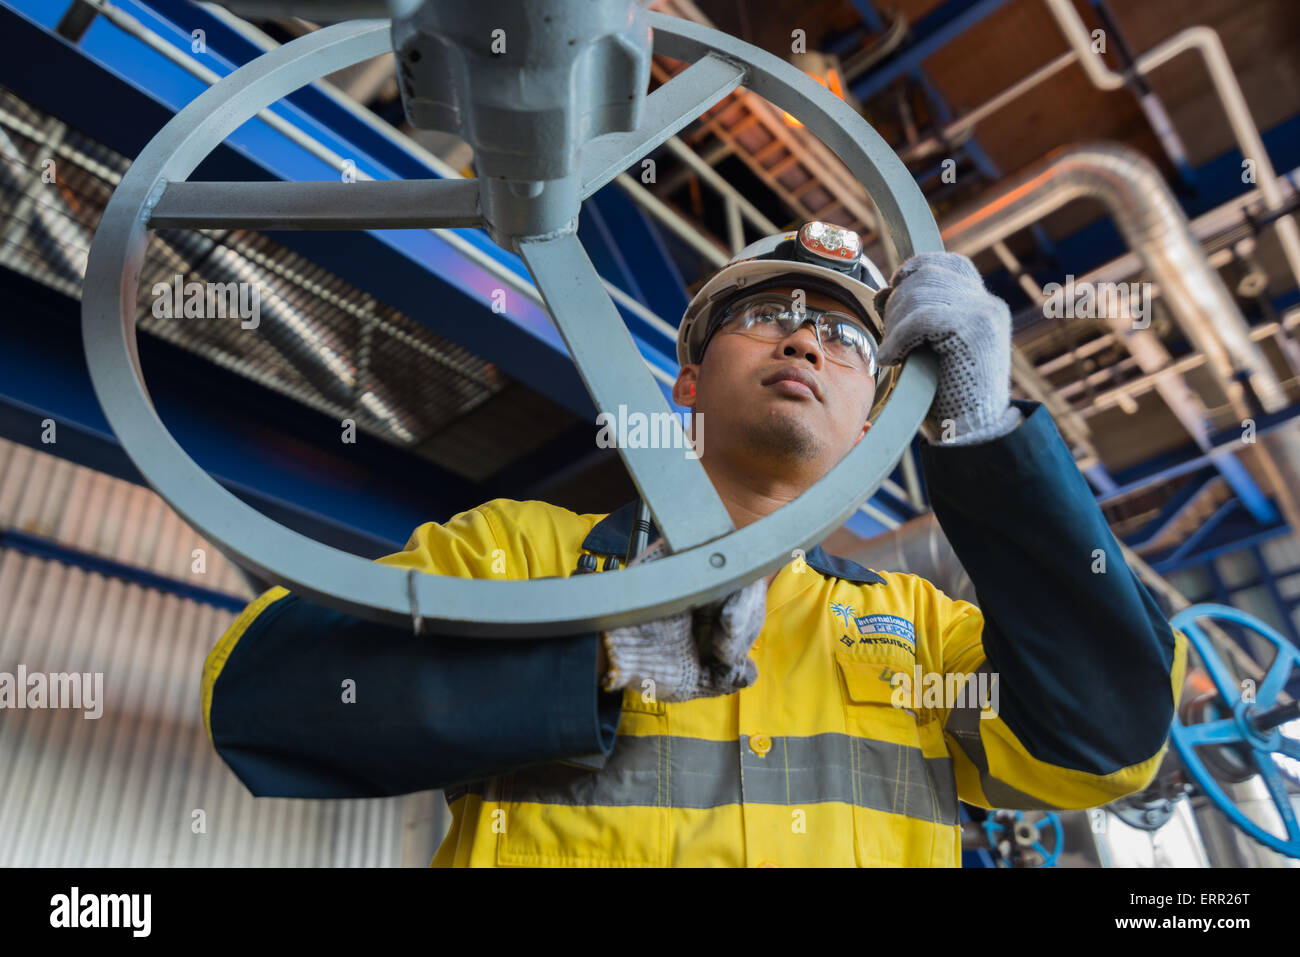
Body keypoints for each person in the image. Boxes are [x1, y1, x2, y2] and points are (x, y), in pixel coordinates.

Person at [202, 221, 1187, 867]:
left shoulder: (924, 633)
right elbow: (260, 699)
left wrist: (981, 438)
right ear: (684, 382)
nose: (805, 341)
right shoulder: (520, 553)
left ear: (872, 421)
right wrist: (593, 653)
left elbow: (1108, 747)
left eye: (845, 338)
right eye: (768, 318)